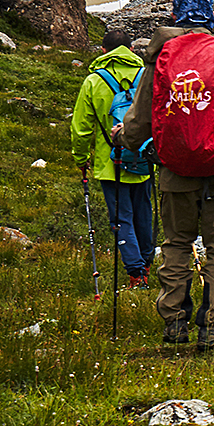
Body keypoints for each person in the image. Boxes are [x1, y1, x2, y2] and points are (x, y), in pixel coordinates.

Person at [118, 0, 214, 348]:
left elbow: (139, 122)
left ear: (175, 17)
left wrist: (121, 138)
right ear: (211, 17)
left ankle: (174, 322)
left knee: (177, 243)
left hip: (174, 171)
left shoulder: (160, 58)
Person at [71, 29, 153, 289]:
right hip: (143, 158)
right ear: (130, 50)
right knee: (144, 214)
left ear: (104, 51)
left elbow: (81, 127)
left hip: (111, 163)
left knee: (121, 218)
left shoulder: (94, 81)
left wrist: (81, 157)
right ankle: (147, 265)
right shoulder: (145, 77)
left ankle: (135, 274)